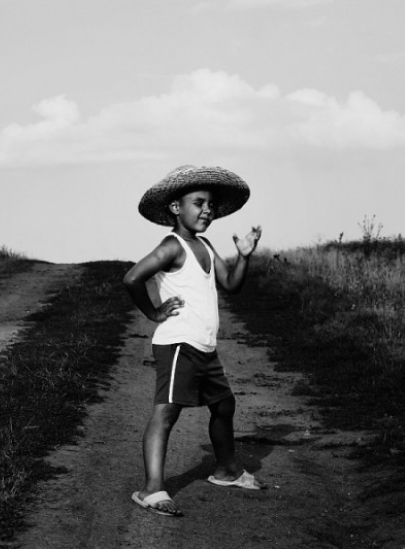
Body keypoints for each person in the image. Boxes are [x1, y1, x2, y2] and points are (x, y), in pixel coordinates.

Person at [123, 165, 264, 517]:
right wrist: (154, 314)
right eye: (198, 203)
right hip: (177, 344)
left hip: (203, 346)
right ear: (175, 208)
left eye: (210, 206)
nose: (207, 210)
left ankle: (227, 471)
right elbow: (132, 279)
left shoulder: (203, 244)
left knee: (224, 404)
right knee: (167, 412)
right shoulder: (172, 247)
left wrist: (244, 257)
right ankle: (151, 489)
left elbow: (230, 283)